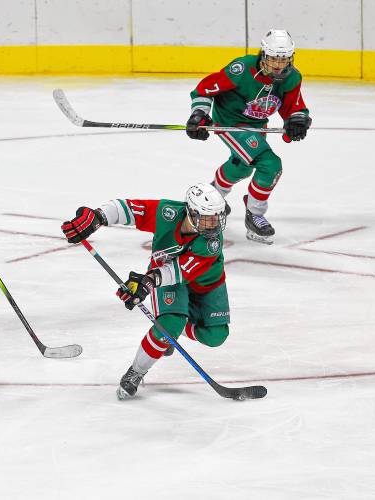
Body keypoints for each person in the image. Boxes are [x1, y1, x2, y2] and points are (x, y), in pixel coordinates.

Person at [61, 183, 230, 400]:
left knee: (216, 336)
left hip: (206, 283)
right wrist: (98, 217)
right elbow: (130, 209)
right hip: (168, 279)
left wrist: (147, 282)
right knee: (169, 324)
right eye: (208, 218)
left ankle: (170, 336)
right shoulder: (167, 213)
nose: (214, 224)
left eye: (217, 217)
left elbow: (179, 270)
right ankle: (137, 371)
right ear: (191, 212)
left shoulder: (212, 242)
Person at [186, 29, 312, 244]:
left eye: (284, 59)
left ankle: (214, 194)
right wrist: (199, 114)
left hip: (257, 126)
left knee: (243, 166)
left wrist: (297, 121)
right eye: (273, 59)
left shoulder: (292, 77)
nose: (279, 65)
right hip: (230, 122)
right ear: (263, 54)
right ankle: (255, 214)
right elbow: (204, 89)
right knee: (270, 164)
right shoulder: (241, 69)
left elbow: (295, 107)